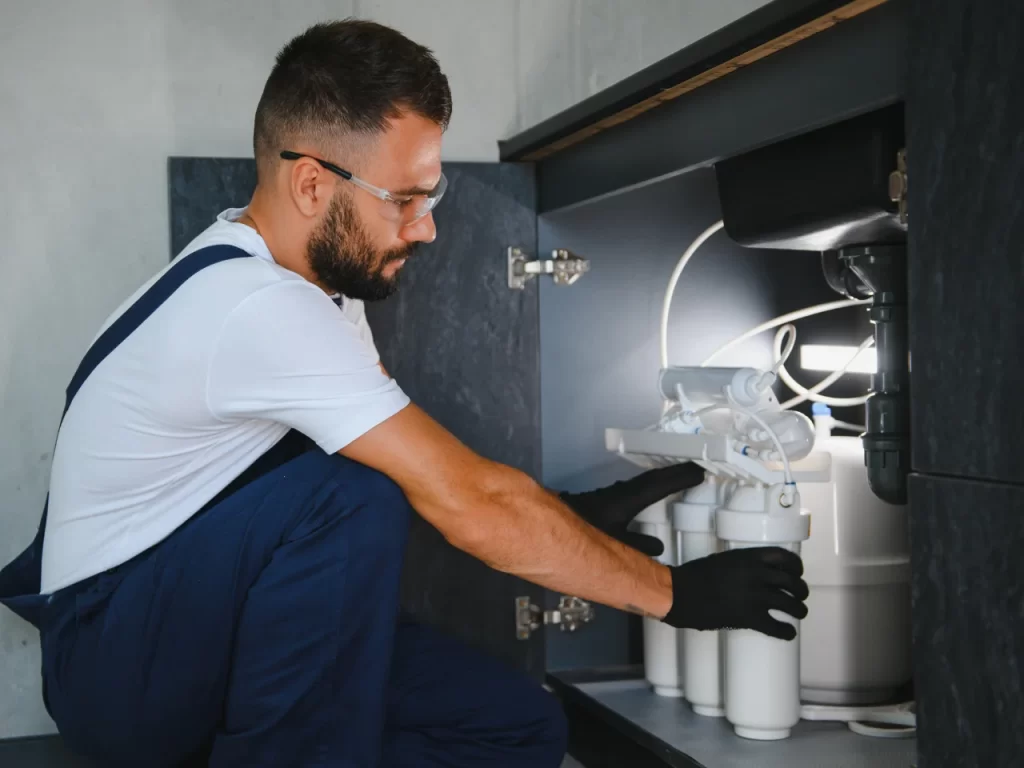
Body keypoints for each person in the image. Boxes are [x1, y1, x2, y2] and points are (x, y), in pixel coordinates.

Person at [0, 19, 808, 768]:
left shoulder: (316, 290)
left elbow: (430, 471)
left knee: (516, 728)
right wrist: (676, 596)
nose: (425, 227)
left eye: (433, 195)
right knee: (349, 498)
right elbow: (466, 501)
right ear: (312, 185)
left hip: (202, 626)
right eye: (405, 199)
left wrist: (572, 516)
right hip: (116, 672)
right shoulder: (255, 307)